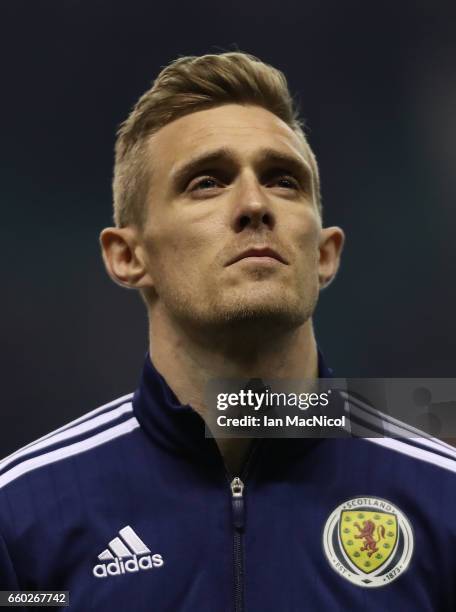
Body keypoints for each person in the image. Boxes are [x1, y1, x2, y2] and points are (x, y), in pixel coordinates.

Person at [1, 51, 456, 611]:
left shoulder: (443, 500)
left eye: (283, 181)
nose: (254, 205)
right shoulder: (20, 519)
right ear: (126, 256)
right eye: (207, 182)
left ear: (324, 253)